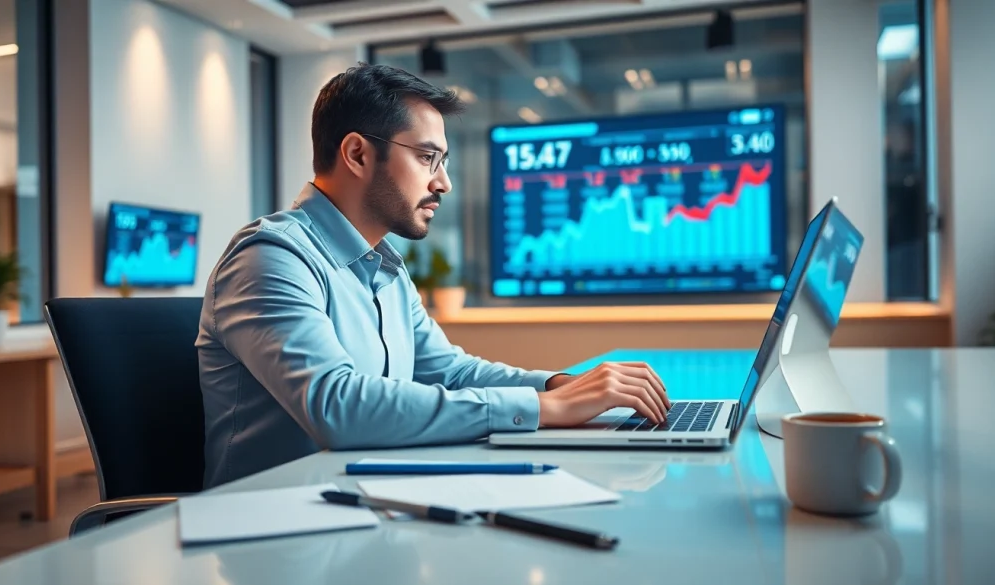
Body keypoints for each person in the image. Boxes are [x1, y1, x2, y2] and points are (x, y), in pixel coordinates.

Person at [196, 63, 669, 488]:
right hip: (274, 536)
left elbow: (450, 371)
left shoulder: (383, 266)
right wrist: (545, 410)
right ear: (358, 154)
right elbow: (336, 408)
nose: (443, 183)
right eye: (427, 159)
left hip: (367, 506)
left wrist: (558, 385)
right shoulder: (271, 257)